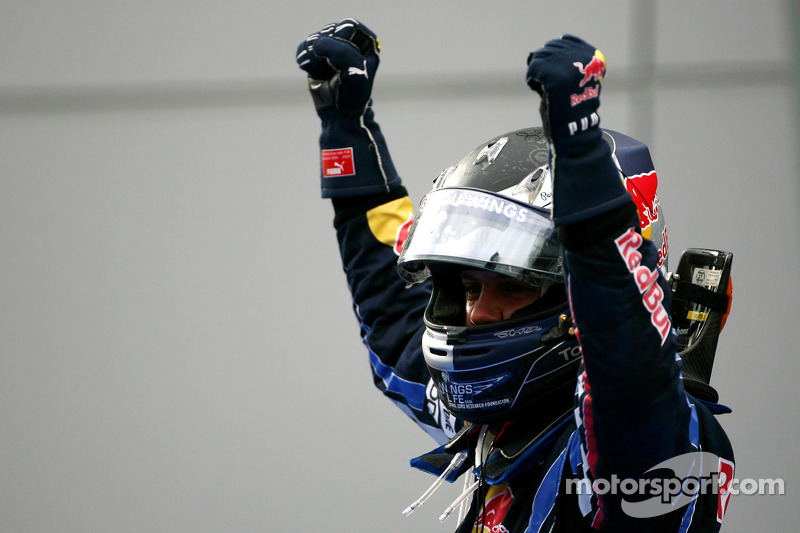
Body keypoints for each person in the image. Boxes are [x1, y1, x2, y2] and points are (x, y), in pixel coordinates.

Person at [295, 18, 735, 532]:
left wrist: (584, 163)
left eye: (514, 286)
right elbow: (391, 316)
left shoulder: (659, 445)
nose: (477, 313)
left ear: (581, 295)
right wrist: (347, 130)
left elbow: (629, 388)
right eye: (468, 287)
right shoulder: (499, 421)